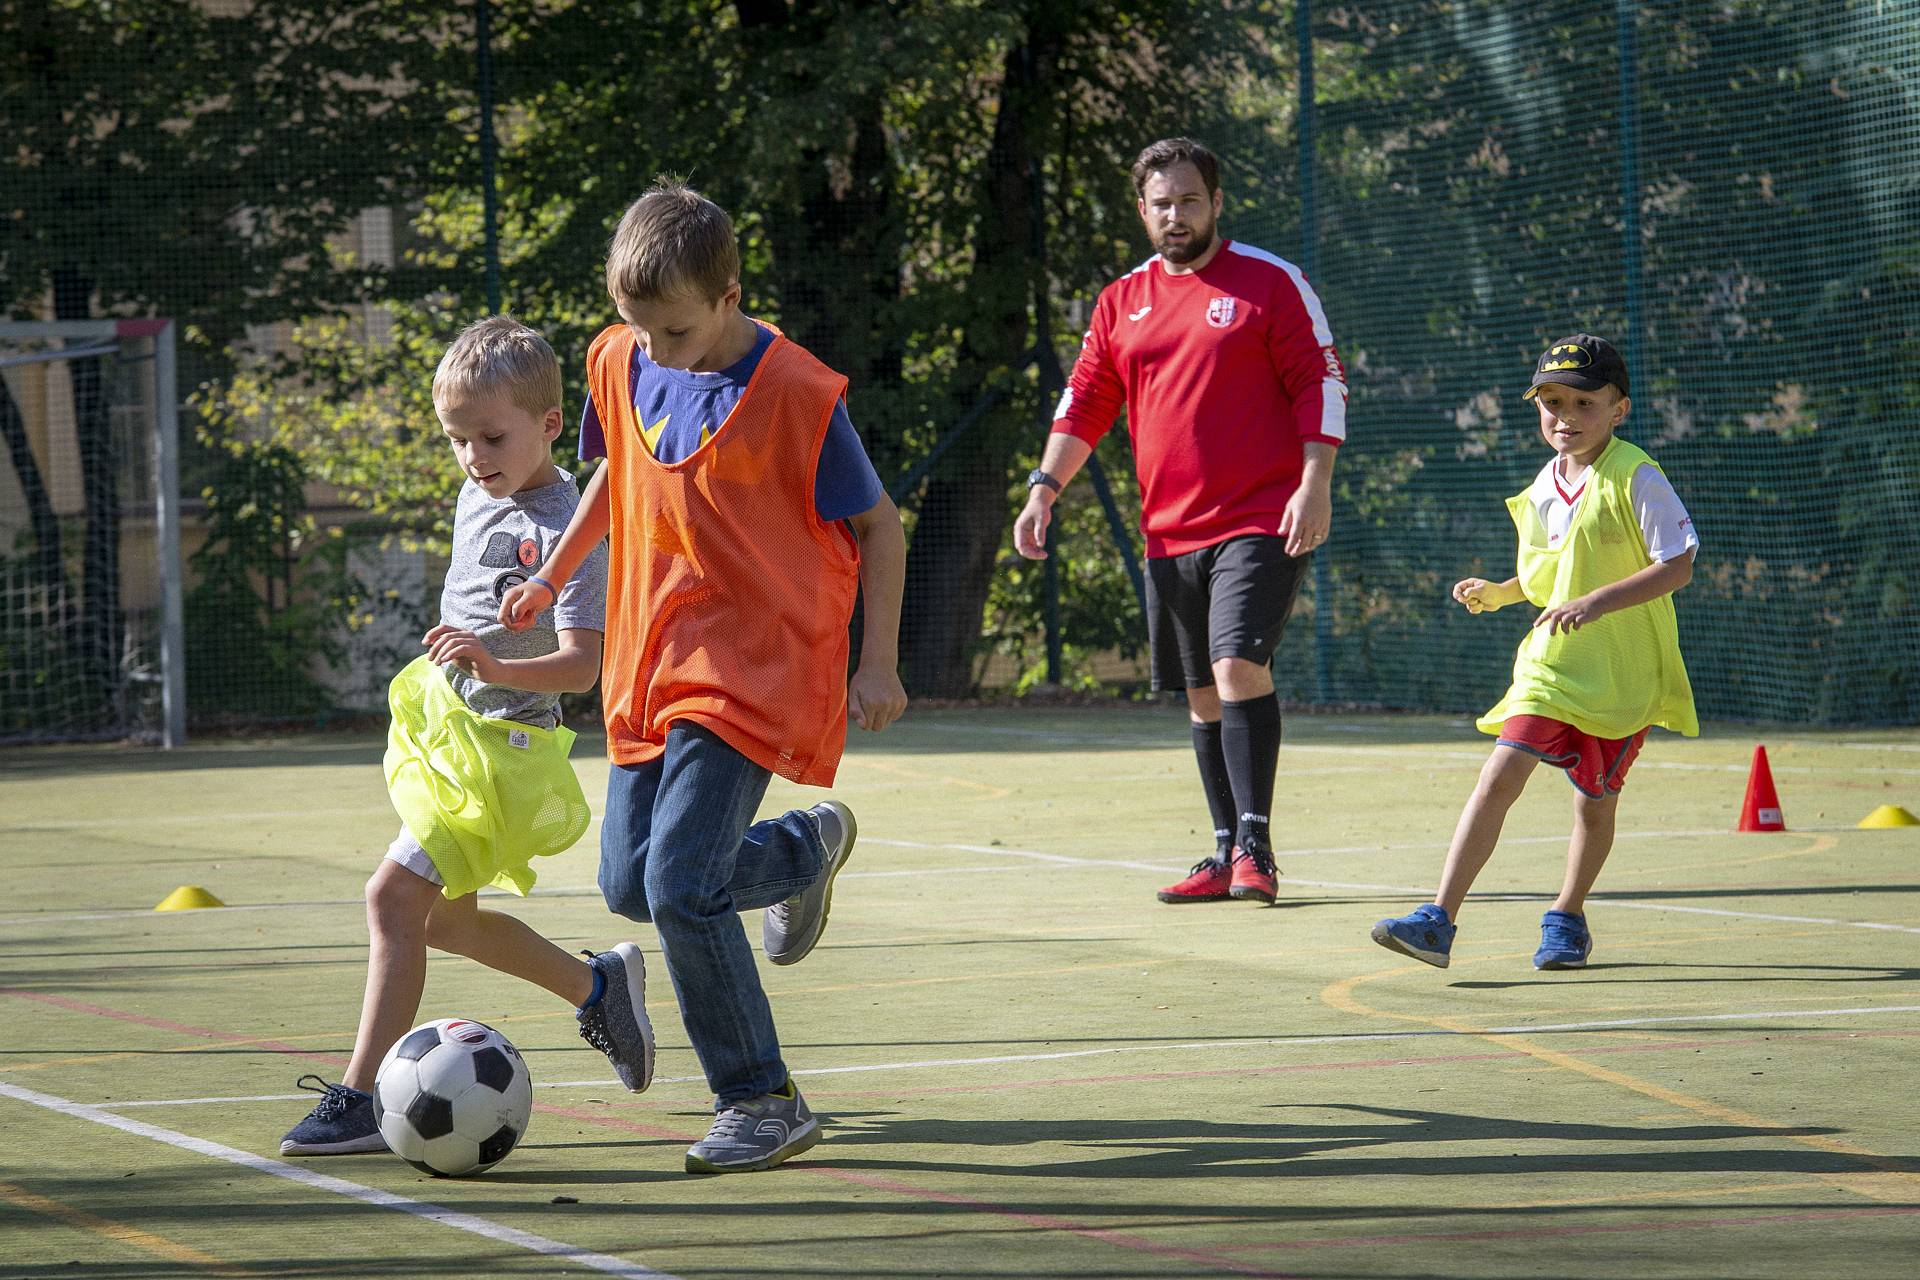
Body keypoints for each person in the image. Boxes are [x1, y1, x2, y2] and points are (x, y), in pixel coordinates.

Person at [498, 179, 908, 1174]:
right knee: (631, 884)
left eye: (675, 330)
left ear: (730, 297)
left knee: (681, 885)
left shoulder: (796, 394)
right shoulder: (620, 359)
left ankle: (761, 1097)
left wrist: (880, 660)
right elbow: (617, 474)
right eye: (639, 326)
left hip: (753, 666)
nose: (655, 347)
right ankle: (802, 851)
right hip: (651, 655)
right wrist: (553, 573)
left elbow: (880, 527)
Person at [279, 316, 654, 1157]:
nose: (473, 457)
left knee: (391, 900)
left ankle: (359, 1099)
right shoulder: (476, 494)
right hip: (450, 737)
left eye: (491, 437)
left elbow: (581, 668)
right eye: (457, 439)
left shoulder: (570, 525)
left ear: (550, 424)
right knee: (444, 923)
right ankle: (597, 988)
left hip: (504, 754)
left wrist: (492, 662)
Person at [1013, 136, 1348, 907]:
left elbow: (1320, 381)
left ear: (1216, 202)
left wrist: (1315, 482)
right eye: (1162, 204)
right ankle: (1224, 851)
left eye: (1190, 200)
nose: (1176, 215)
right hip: (1168, 531)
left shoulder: (1271, 281)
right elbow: (1085, 400)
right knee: (1200, 693)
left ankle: (1257, 849)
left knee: (1236, 668)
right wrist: (1044, 489)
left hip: (1261, 517)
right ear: (1142, 210)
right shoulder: (1120, 300)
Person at [1371, 333, 1698, 971]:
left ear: (1619, 409)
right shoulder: (1545, 484)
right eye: (1552, 402)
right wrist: (1500, 593)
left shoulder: (1637, 475)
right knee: (1499, 775)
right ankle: (1437, 920)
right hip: (1551, 666)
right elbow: (1551, 576)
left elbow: (1677, 565)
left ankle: (1567, 915)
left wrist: (1597, 602)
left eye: (1584, 402)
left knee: (1593, 804)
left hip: (1623, 674)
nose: (1565, 416)